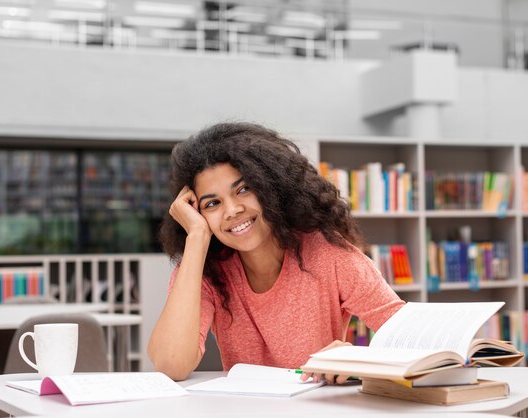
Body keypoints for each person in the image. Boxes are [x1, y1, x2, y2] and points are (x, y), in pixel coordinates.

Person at [148, 122, 404, 383]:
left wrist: (359, 359)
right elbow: (170, 365)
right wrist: (196, 238)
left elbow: (412, 340)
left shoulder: (328, 254)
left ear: (271, 187)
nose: (232, 210)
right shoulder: (205, 269)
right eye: (212, 203)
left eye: (244, 189)